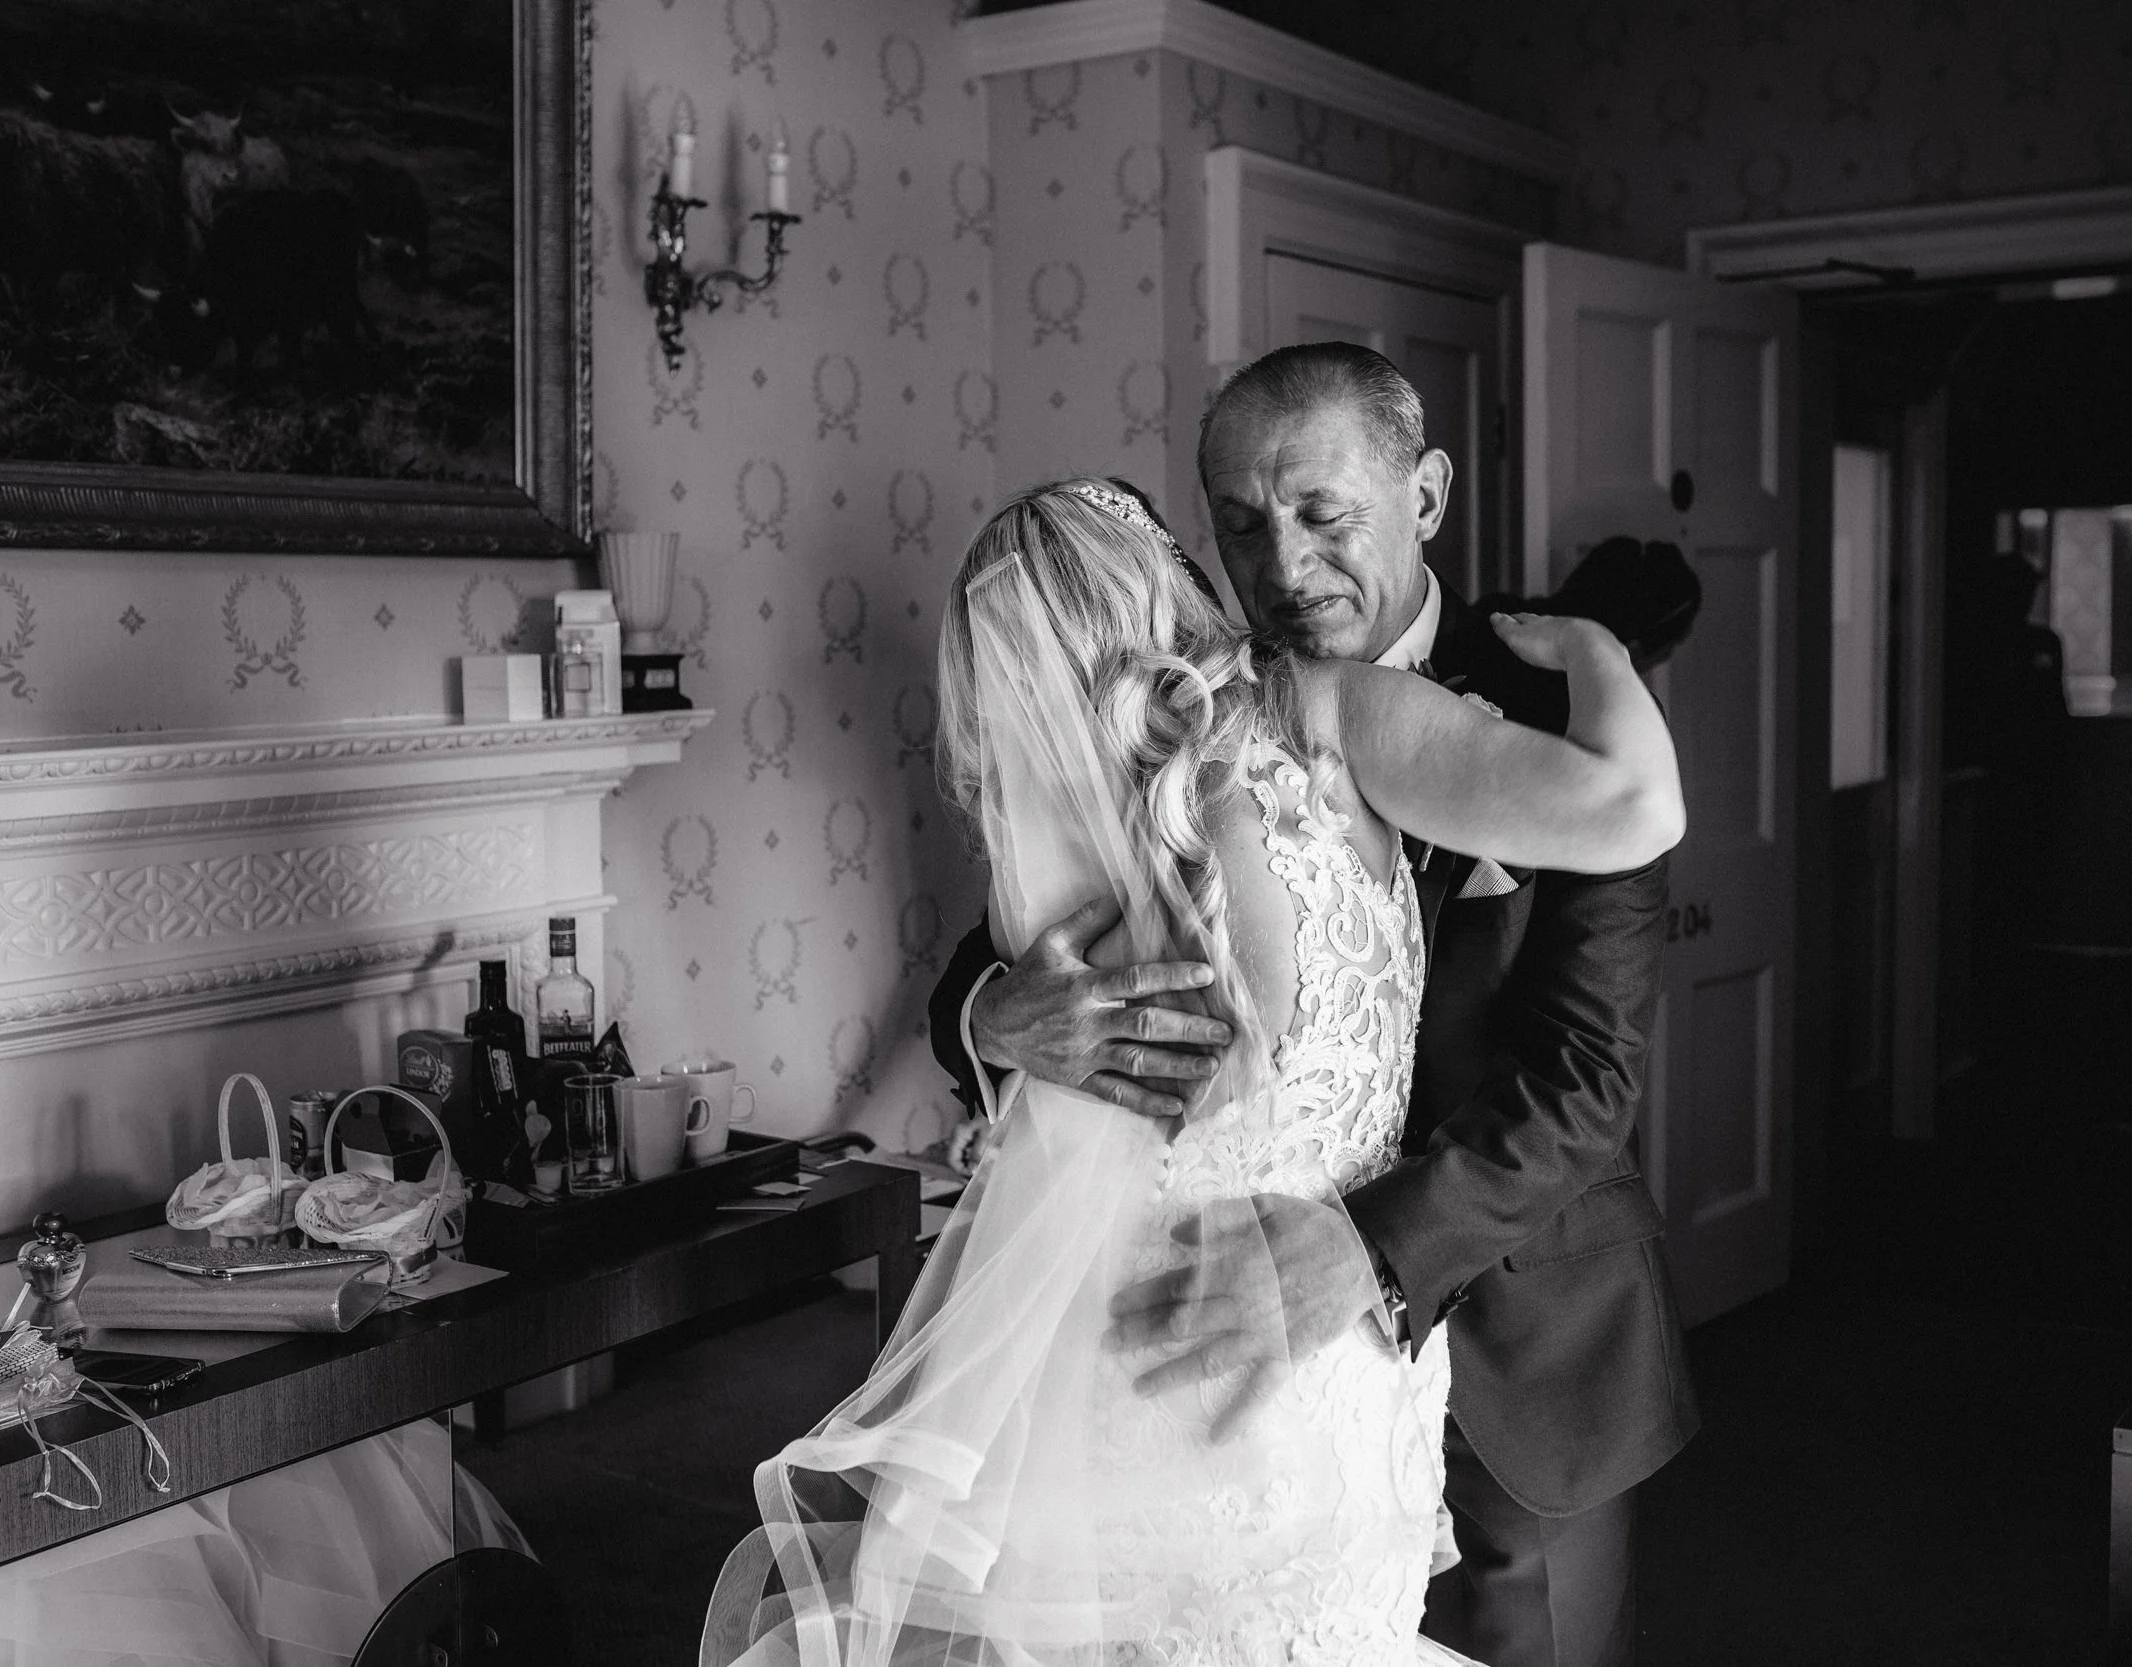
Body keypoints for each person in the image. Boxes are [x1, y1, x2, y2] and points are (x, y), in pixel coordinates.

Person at [705, 469, 1681, 1667]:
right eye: (1236, 525)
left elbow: (1576, 1068)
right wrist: (1601, 652)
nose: (1280, 561)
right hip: (1310, 1395)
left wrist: (1011, 1086)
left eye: (1318, 512)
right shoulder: (1329, 715)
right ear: (1174, 564)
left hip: (1183, 1353)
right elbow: (1633, 805)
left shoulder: (1083, 857)